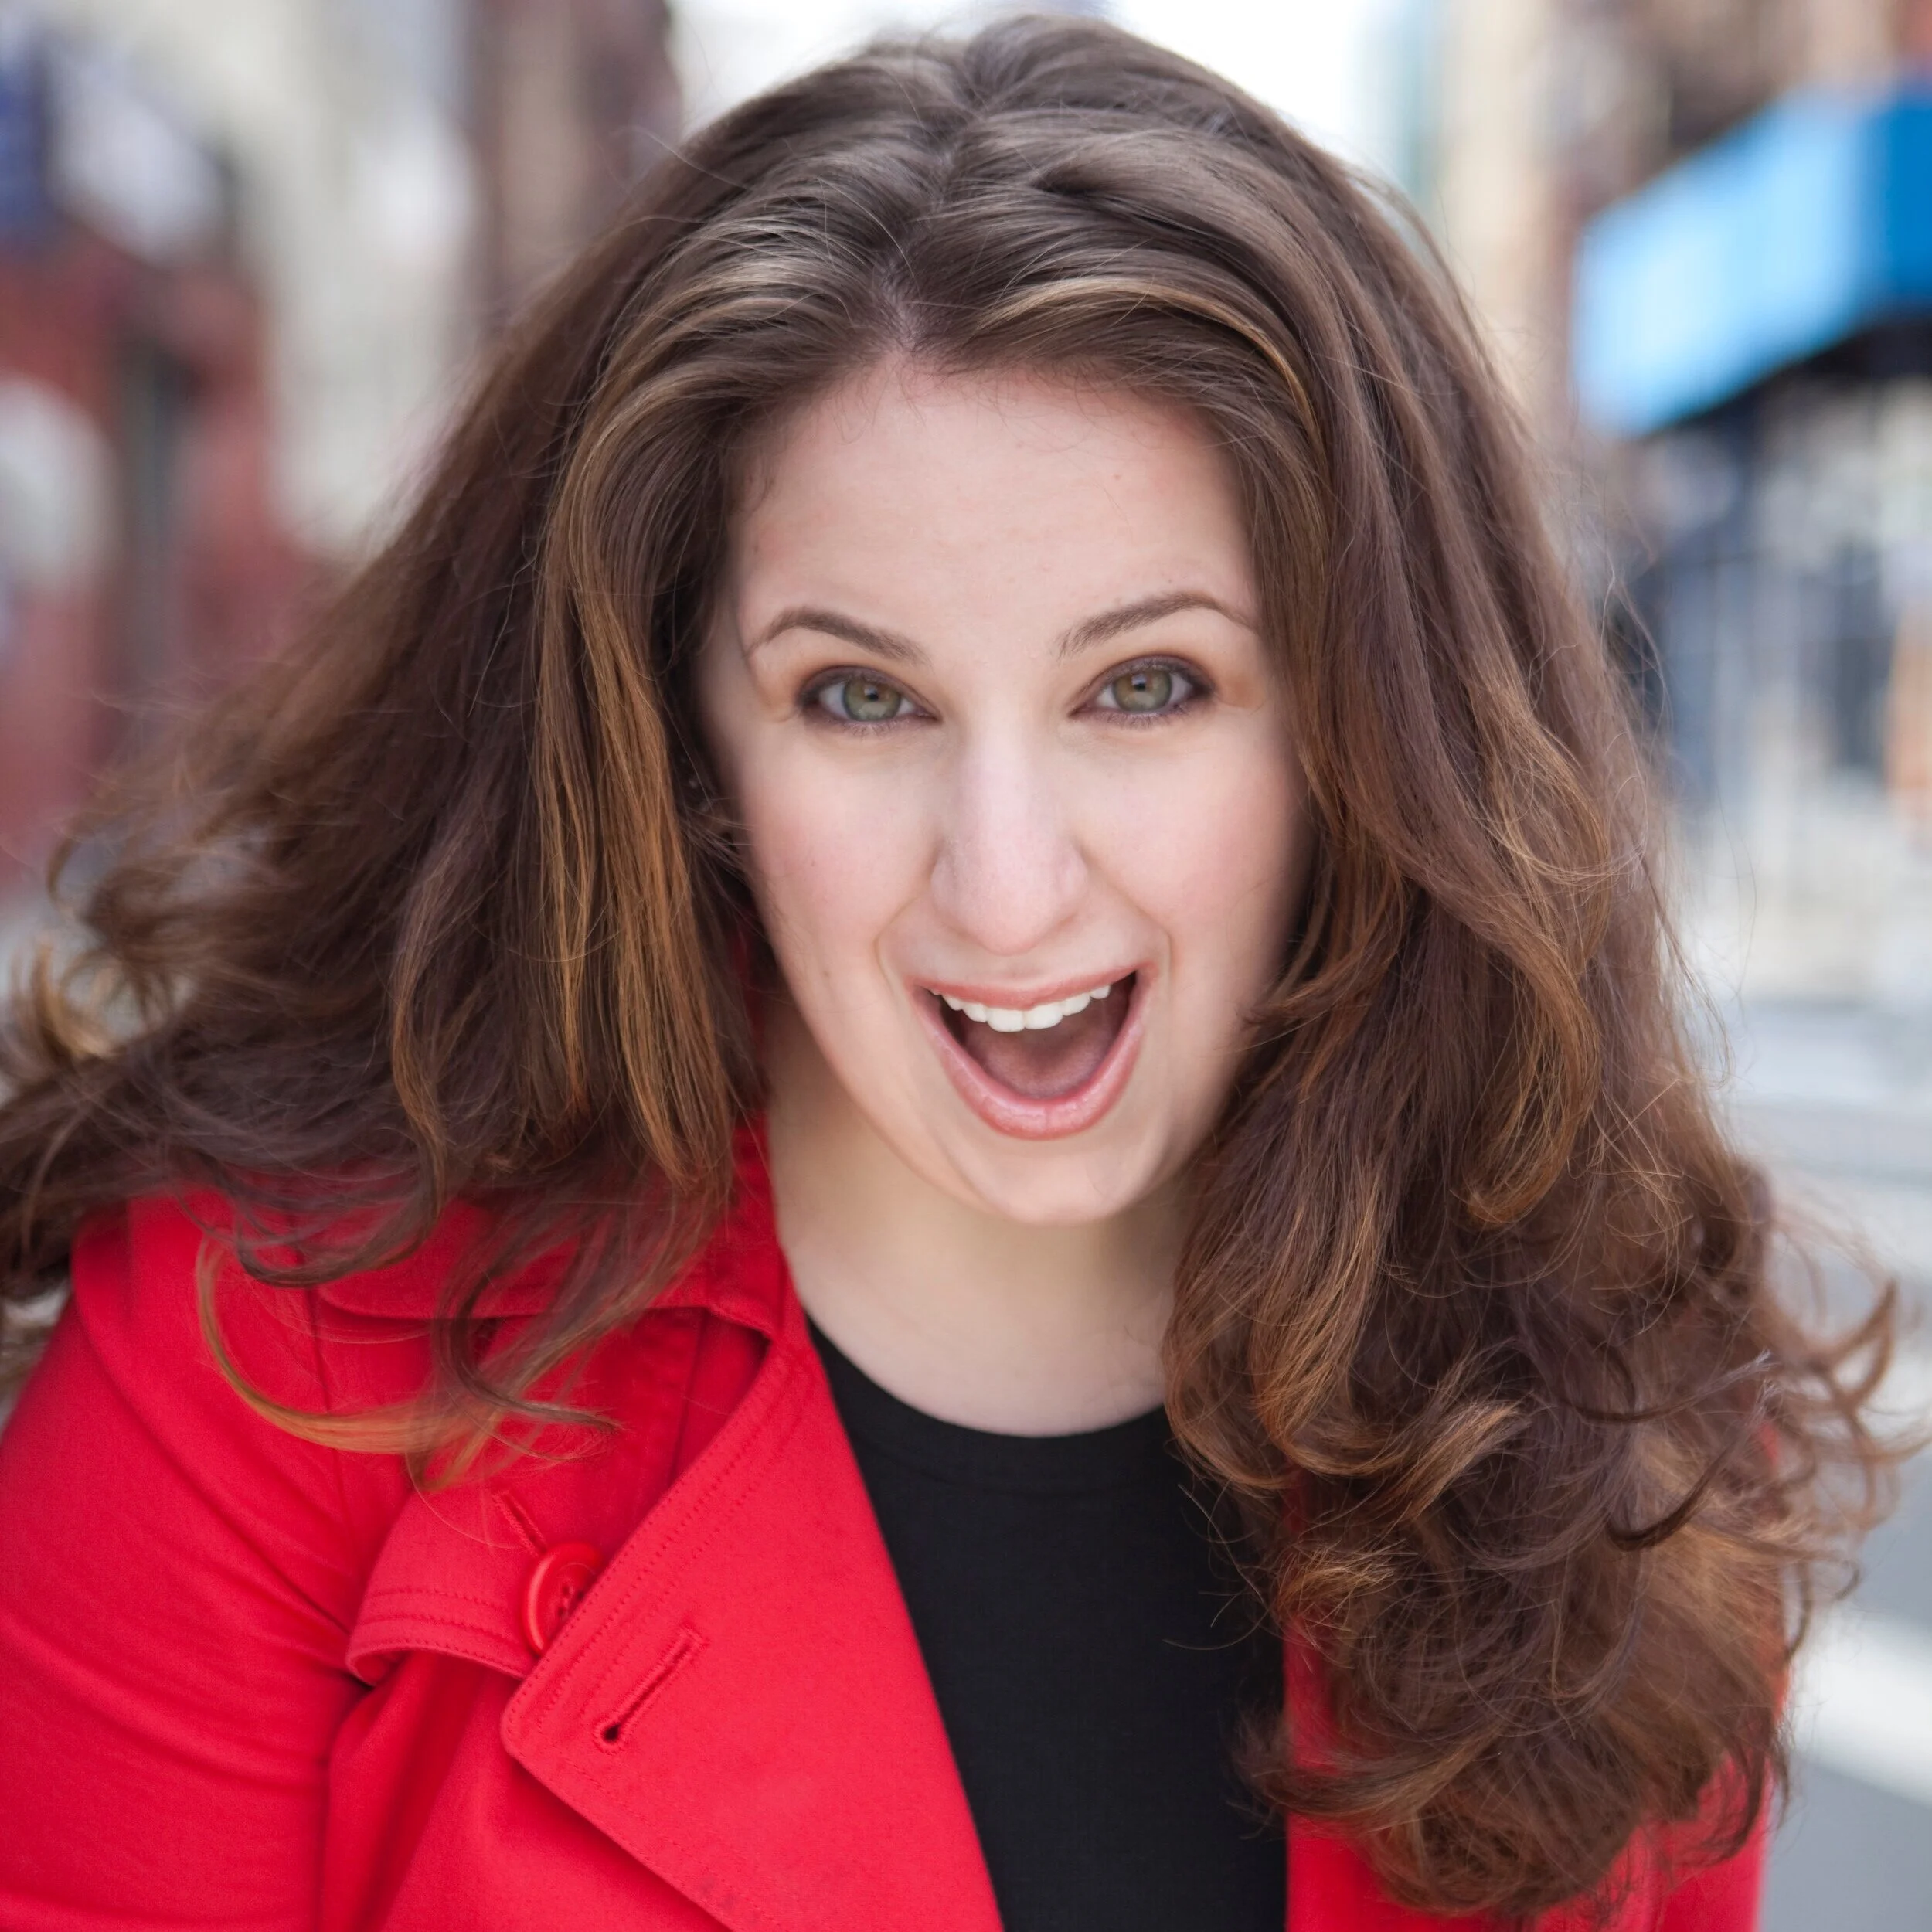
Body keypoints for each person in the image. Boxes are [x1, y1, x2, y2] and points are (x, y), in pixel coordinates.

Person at [0, 17, 1896, 1930]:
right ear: (685, 744)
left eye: (1145, 685)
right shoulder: (260, 1359)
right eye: (860, 696)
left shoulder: (1595, 1423)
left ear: (1360, 731)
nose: (1005, 888)